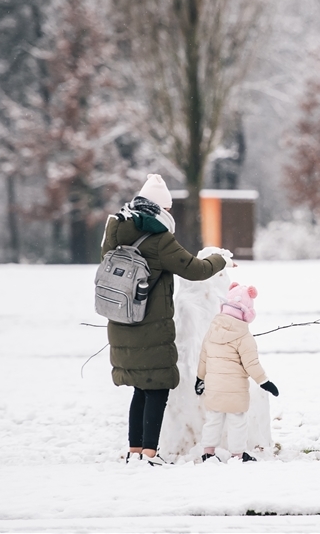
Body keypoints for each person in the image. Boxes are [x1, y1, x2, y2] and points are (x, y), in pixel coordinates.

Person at [103, 174, 228, 466]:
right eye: (167, 208)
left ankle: (134, 451)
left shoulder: (115, 229)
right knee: (157, 386)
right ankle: (149, 453)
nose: (169, 213)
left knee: (139, 388)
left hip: (121, 320)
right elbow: (194, 269)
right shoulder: (159, 239)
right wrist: (220, 259)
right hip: (150, 324)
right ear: (160, 208)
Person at [194, 282, 279, 463]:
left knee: (213, 419)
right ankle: (237, 455)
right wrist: (264, 382)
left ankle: (208, 453)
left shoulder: (212, 330)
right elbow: (252, 364)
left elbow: (204, 357)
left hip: (214, 388)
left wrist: (199, 378)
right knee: (237, 421)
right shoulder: (244, 336)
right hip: (235, 389)